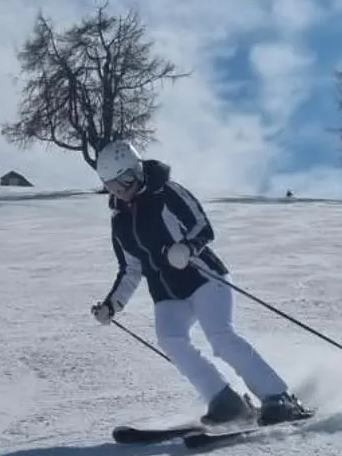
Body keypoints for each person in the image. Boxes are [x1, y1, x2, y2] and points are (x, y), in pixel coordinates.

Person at [89, 139, 310, 427]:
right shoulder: (119, 220)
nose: (122, 190)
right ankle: (225, 401)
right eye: (113, 186)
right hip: (167, 292)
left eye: (126, 180)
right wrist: (112, 305)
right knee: (171, 339)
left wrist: (188, 248)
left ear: (138, 169)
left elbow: (202, 226)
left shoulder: (165, 192)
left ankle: (279, 397)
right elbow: (130, 269)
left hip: (204, 277)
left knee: (220, 336)